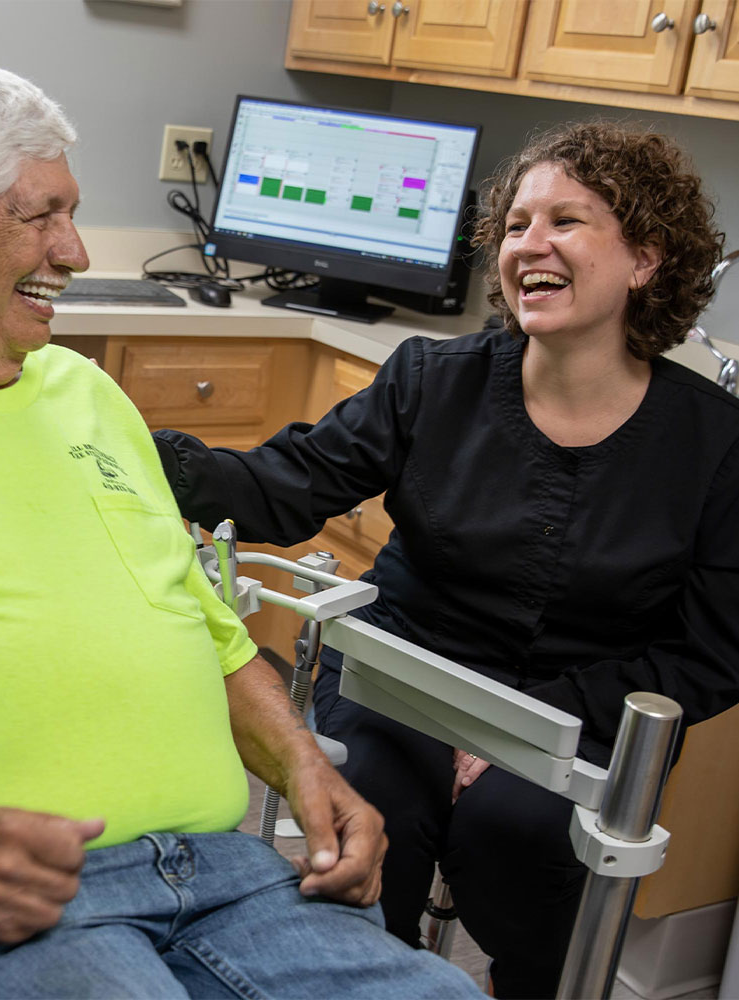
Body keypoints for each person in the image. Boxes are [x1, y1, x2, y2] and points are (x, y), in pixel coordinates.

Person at [0, 61, 483, 1000]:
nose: (74, 251)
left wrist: (307, 766)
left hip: (228, 882)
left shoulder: (89, 394)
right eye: (41, 216)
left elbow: (211, 634)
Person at [154, 121, 739, 998]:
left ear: (645, 260)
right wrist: (131, 452)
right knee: (363, 826)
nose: (528, 246)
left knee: (520, 839)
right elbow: (285, 484)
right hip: (405, 679)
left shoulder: (715, 442)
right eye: (514, 226)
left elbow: (713, 650)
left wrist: (527, 721)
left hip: (581, 713)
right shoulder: (432, 378)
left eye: (566, 223)